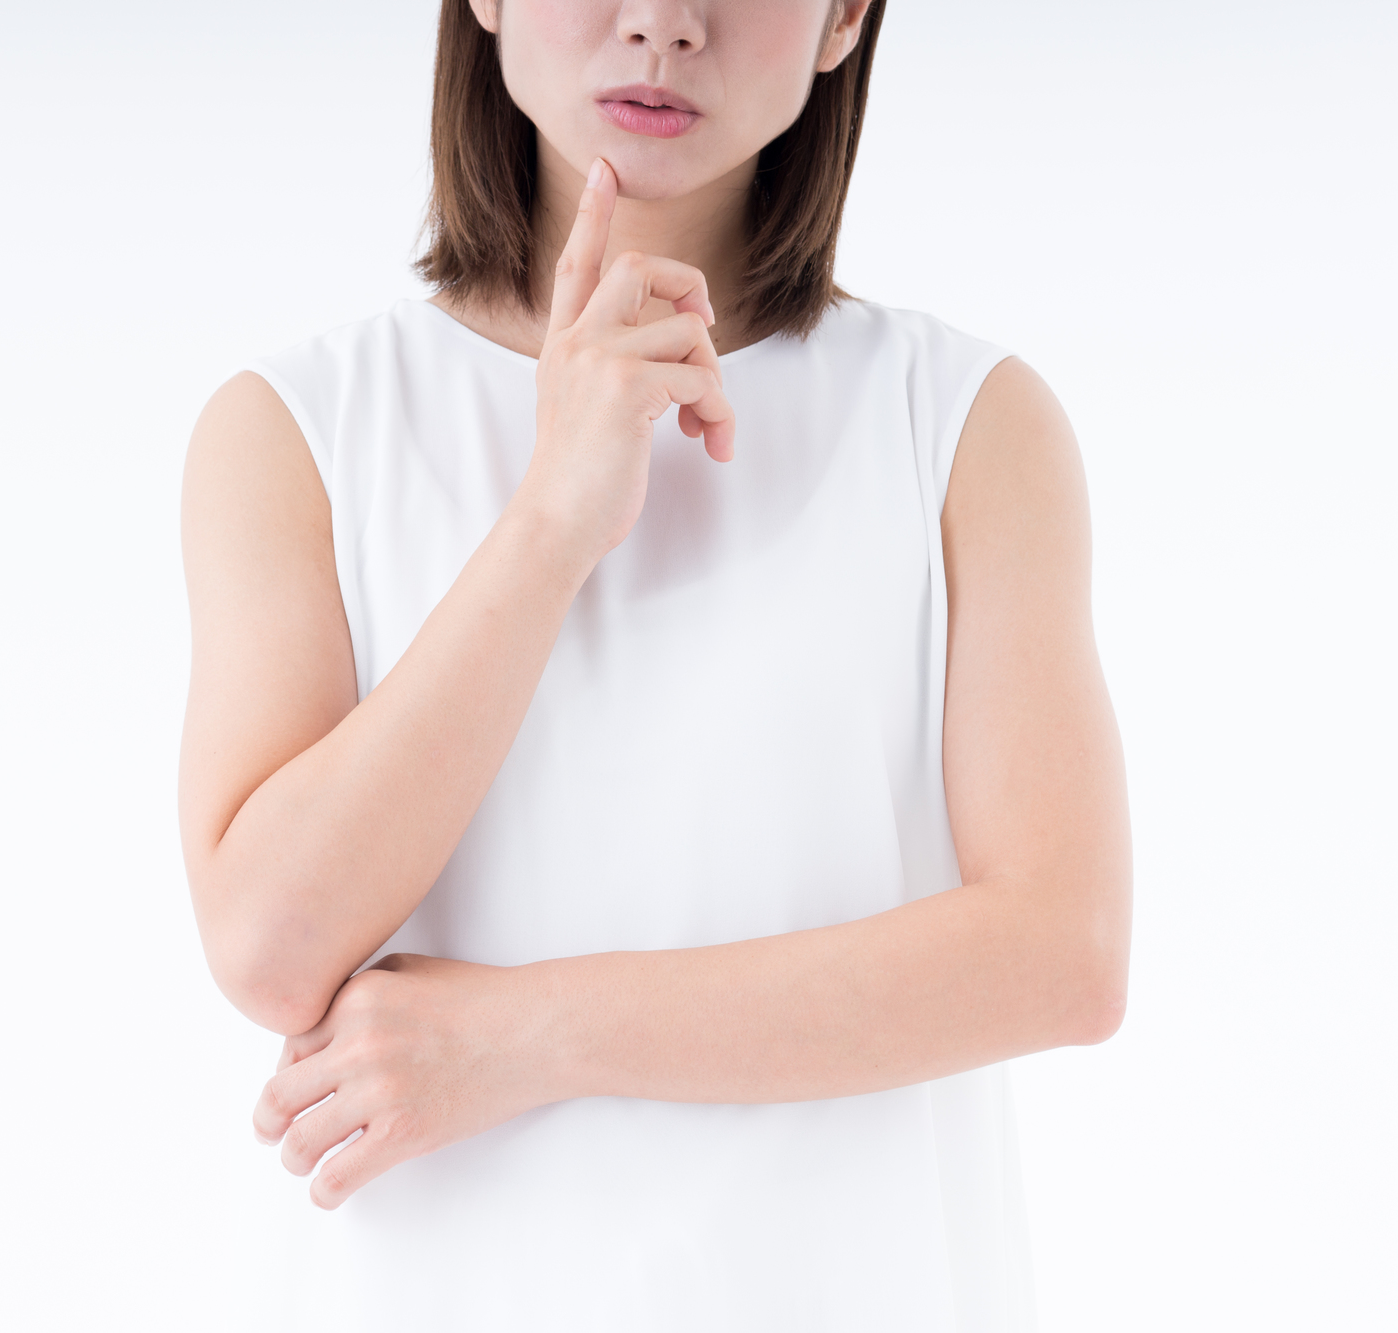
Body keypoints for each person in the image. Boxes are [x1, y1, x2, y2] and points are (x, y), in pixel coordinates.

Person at [176, 0, 1131, 1327]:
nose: (665, 24)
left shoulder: (964, 424)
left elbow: (1060, 954)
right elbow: (271, 946)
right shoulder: (303, 429)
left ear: (844, 16)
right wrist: (552, 520)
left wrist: (527, 1037)